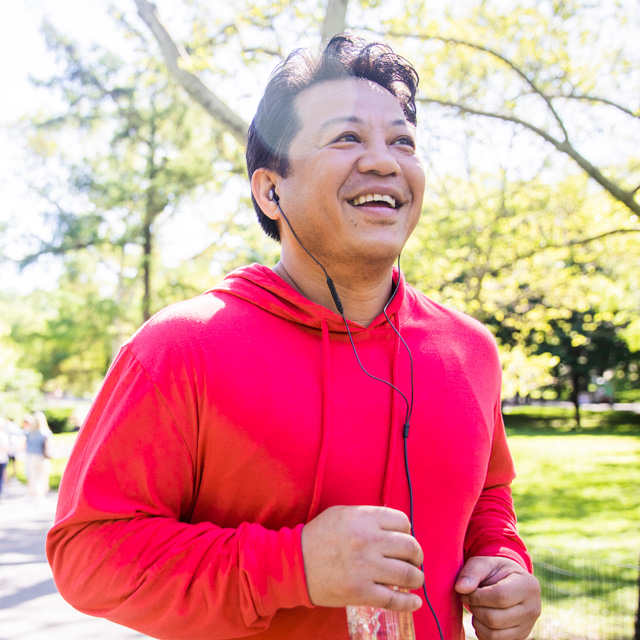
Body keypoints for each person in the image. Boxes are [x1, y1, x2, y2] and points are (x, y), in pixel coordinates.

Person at [47, 34, 541, 640]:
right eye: (347, 137)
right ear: (269, 189)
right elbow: (89, 555)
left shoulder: (471, 351)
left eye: (403, 141)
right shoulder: (179, 348)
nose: (385, 160)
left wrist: (503, 566)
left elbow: (488, 498)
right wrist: (293, 566)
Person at [24, 412, 52, 503]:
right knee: (42, 476)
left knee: (34, 476)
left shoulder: (29, 433)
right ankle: (41, 495)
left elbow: (26, 446)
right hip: (42, 457)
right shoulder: (46, 433)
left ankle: (35, 495)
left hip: (32, 457)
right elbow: (48, 447)